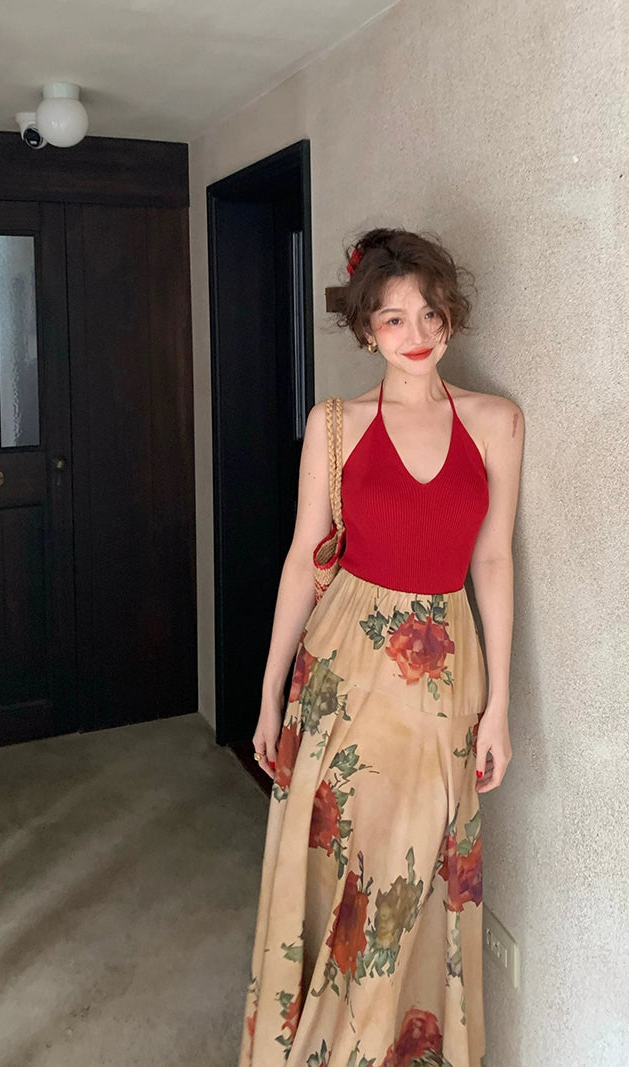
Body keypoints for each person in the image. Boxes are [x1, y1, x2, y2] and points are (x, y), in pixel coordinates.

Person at [239, 228, 524, 1067]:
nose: (417, 333)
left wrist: (500, 705)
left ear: (452, 315)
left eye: (431, 313)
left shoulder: (497, 422)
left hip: (444, 680)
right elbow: (304, 559)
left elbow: (493, 560)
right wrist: (268, 695)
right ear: (367, 330)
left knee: (412, 876)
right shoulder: (335, 425)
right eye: (394, 318)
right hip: (342, 676)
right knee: (340, 872)